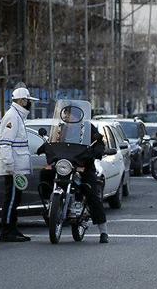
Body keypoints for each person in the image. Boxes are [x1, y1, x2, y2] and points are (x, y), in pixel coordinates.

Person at [39, 101, 109, 243]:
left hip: (82, 166)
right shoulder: (61, 128)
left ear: (77, 115)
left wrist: (98, 149)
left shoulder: (88, 128)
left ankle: (103, 231)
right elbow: (54, 142)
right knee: (45, 174)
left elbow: (99, 142)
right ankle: (49, 203)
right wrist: (44, 147)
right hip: (64, 165)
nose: (67, 116)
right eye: (66, 113)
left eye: (69, 114)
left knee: (92, 194)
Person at [0, 86, 39, 242]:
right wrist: (10, 166)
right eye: (28, 100)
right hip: (14, 168)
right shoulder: (12, 117)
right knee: (12, 199)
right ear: (22, 101)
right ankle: (7, 231)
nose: (29, 103)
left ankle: (13, 229)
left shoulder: (18, 116)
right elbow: (5, 143)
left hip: (17, 168)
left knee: (15, 199)